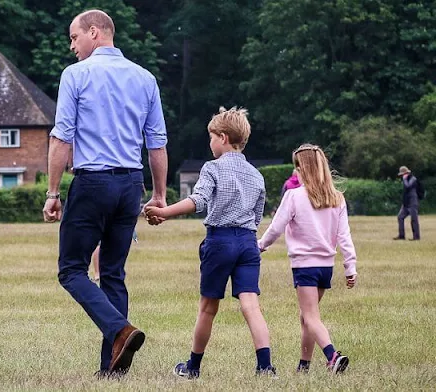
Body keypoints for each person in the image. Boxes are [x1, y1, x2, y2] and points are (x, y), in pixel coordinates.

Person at [42, 9, 168, 378]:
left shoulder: (76, 75)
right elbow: (157, 142)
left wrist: (52, 192)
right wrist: (159, 195)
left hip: (93, 182)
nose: (71, 46)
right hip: (131, 184)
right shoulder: (145, 78)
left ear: (94, 33)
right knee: (112, 273)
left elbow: (62, 136)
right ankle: (112, 370)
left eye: (74, 37)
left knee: (71, 270)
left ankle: (120, 330)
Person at [145, 107, 275, 379]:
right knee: (251, 306)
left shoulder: (212, 168)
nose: (210, 143)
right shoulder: (256, 174)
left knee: (208, 307)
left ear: (224, 138)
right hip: (248, 243)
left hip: (221, 241)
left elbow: (199, 201)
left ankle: (192, 367)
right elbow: (257, 214)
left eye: (212, 137)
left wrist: (164, 213)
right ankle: (265, 367)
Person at [258, 144, 357, 374]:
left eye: (297, 167)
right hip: (326, 268)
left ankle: (333, 356)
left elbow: (276, 227)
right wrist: (350, 267)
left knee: (311, 317)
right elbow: (344, 236)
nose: (296, 171)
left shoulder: (294, 196)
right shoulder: (337, 198)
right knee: (307, 317)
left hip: (305, 266)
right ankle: (304, 366)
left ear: (304, 168)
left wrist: (260, 246)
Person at [394, 166, 420, 241]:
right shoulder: (406, 179)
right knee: (400, 217)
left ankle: (416, 237)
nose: (402, 176)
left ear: (406, 173)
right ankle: (401, 235)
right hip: (406, 203)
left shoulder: (413, 179)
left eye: (402, 175)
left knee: (414, 219)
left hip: (413, 202)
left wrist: (405, 179)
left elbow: (408, 186)